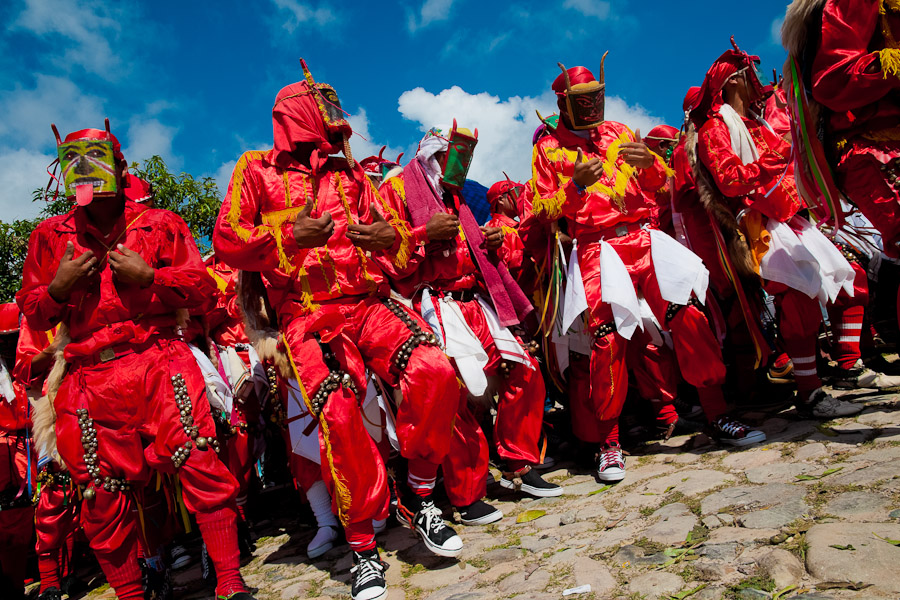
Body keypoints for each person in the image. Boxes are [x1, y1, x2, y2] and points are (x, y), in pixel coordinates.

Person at [212, 61, 463, 600]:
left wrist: (385, 237)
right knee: (338, 411)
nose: (336, 121)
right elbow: (229, 238)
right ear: (298, 115)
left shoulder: (350, 174)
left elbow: (393, 239)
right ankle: (363, 548)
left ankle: (420, 495)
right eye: (324, 110)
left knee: (434, 369)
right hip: (305, 314)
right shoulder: (255, 170)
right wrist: (286, 234)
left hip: (369, 302)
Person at [17, 122, 253, 600]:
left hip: (159, 359)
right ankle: (131, 595)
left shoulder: (161, 223)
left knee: (201, 461)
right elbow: (31, 307)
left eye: (98, 160)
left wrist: (152, 278)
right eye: (74, 165)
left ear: (123, 168)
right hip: (87, 378)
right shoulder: (48, 236)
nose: (86, 175)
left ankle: (229, 581)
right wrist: (58, 289)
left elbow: (205, 291)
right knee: (99, 496)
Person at [530, 57, 765, 482]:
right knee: (608, 341)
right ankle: (609, 444)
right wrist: (577, 184)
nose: (593, 108)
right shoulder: (547, 148)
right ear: (564, 104)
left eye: (597, 98)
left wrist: (651, 165)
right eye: (583, 101)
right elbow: (544, 210)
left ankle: (717, 415)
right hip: (598, 247)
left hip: (644, 236)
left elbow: (658, 184)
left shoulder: (619, 131)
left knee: (689, 316)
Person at [378, 123, 561, 525]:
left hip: (476, 301)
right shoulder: (396, 191)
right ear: (433, 156)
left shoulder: (459, 197)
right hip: (433, 304)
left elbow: (491, 250)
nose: (462, 164)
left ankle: (518, 463)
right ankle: (466, 494)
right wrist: (423, 234)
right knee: (455, 398)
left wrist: (498, 242)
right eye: (455, 156)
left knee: (525, 372)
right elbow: (386, 254)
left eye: (466, 157)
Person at [690, 40, 862, 419]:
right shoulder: (714, 129)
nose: (756, 80)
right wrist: (776, 154)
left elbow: (787, 158)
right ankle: (810, 393)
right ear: (734, 80)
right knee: (799, 300)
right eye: (749, 74)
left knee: (853, 281)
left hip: (792, 216)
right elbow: (731, 181)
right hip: (759, 225)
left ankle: (850, 366)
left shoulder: (755, 122)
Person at [0, 304, 35, 600]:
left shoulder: (32, 362)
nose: (9, 345)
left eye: (13, 338)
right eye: (4, 340)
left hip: (35, 444)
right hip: (6, 456)